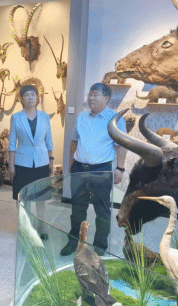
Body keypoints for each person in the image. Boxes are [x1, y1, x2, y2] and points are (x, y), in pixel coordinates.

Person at [60, 83, 127, 257]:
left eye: (95, 95)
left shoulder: (115, 119)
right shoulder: (82, 117)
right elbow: (74, 141)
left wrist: (120, 168)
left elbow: (121, 146)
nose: (91, 98)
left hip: (101, 170)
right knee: (77, 209)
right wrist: (71, 163)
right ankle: (73, 241)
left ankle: (100, 245)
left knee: (102, 210)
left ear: (106, 98)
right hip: (79, 168)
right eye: (90, 94)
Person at [8, 85, 54, 239]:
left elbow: (49, 141)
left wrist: (51, 160)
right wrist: (11, 164)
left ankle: (41, 227)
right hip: (22, 163)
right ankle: (25, 228)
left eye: (33, 95)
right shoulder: (16, 117)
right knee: (23, 198)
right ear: (21, 99)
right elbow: (12, 143)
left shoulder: (44, 117)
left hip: (41, 162)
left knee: (41, 198)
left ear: (37, 97)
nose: (30, 98)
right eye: (26, 95)